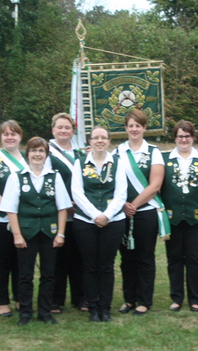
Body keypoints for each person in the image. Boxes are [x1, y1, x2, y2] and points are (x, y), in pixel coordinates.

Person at [0, 137, 70, 326]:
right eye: (34, 151)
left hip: (49, 232)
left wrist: (60, 234)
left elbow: (62, 207)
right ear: (27, 154)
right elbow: (11, 209)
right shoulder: (16, 177)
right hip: (26, 233)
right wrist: (17, 235)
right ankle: (25, 312)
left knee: (49, 274)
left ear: (46, 155)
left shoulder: (54, 176)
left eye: (41, 151)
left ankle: (45, 312)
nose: (37, 155)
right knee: (25, 274)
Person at [160, 120, 198, 312]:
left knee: (195, 258)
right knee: (174, 258)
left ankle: (195, 299)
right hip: (172, 217)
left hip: (197, 217)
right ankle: (177, 298)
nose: (183, 140)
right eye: (179, 136)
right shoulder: (164, 158)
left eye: (187, 136)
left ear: (193, 137)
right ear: (175, 138)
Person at [71, 126, 127, 322]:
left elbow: (121, 193)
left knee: (106, 266)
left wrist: (107, 215)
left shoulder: (118, 163)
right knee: (89, 266)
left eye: (104, 138)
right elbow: (77, 192)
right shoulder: (79, 164)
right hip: (85, 221)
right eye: (96, 138)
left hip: (113, 221)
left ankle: (105, 308)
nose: (100, 141)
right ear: (90, 141)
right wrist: (95, 215)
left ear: (109, 141)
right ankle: (93, 308)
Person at [116, 109, 168, 316]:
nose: (134, 129)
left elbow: (155, 185)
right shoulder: (118, 152)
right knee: (126, 258)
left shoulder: (154, 152)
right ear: (126, 128)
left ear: (144, 128)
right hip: (123, 213)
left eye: (138, 125)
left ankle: (144, 300)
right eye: (131, 125)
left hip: (146, 212)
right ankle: (129, 299)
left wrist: (134, 205)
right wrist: (124, 207)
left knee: (145, 257)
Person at [0, 120, 27, 317]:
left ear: (20, 136)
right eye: (6, 134)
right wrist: (10, 211)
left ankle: (20, 298)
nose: (10, 137)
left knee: (21, 260)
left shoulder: (28, 158)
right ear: (1, 137)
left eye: (14, 133)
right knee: (2, 261)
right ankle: (2, 302)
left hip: (24, 219)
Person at [47, 113, 87, 313]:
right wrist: (63, 203)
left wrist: (78, 202)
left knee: (79, 257)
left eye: (67, 128)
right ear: (53, 130)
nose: (63, 131)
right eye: (59, 127)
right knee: (58, 258)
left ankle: (81, 298)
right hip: (57, 212)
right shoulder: (46, 152)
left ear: (73, 131)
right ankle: (56, 299)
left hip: (80, 213)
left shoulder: (81, 154)